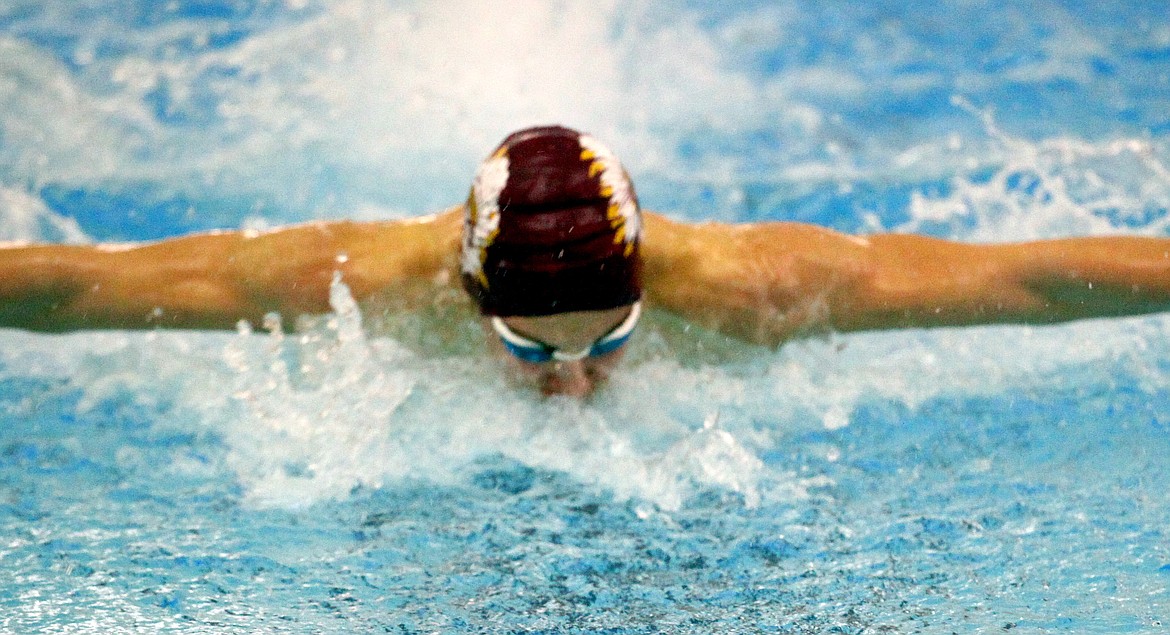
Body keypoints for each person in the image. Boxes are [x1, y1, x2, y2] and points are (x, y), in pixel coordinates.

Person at [2, 125, 1170, 396]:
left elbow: (1028, 279)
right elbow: (78, 288)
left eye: (610, 337)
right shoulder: (345, 280)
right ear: (470, 294)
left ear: (647, 288)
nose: (571, 379)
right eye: (526, 346)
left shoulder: (760, 288)